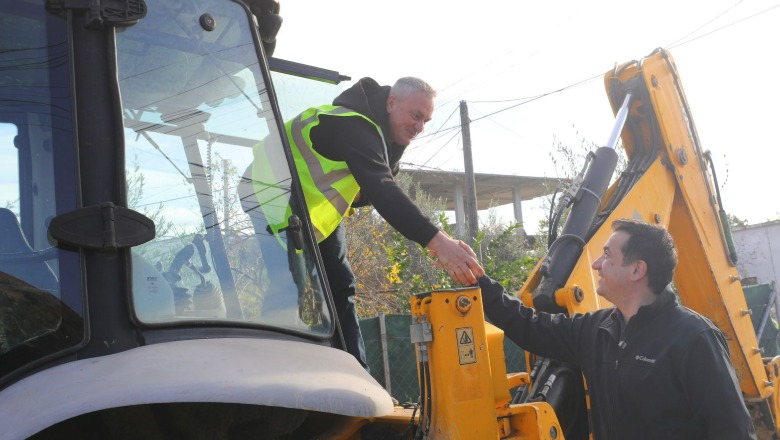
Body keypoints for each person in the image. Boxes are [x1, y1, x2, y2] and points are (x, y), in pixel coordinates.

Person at [477, 218, 756, 439]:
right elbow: (531, 328)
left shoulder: (694, 338)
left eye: (607, 255)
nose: (597, 264)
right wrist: (480, 282)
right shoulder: (597, 329)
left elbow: (734, 431)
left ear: (637, 270)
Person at [283, 76, 484, 369]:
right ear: (391, 103)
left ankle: (354, 374)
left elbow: (368, 191)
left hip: (315, 214)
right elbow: (384, 191)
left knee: (340, 285)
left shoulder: (384, 142)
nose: (420, 127)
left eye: (426, 120)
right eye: (416, 116)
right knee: (292, 291)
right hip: (273, 199)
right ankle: (289, 374)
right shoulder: (354, 126)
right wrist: (440, 243)